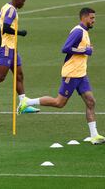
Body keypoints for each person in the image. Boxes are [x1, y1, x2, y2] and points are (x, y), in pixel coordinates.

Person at [18, 8, 105, 145]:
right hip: (71, 74)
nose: (94, 21)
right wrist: (85, 50)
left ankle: (94, 135)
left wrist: (85, 50)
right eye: (92, 18)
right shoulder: (78, 31)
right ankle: (27, 102)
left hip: (81, 74)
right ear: (84, 18)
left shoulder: (85, 32)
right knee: (59, 103)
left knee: (90, 101)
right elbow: (65, 48)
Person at [0, 0, 39, 113]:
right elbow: (6, 27)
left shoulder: (5, 7)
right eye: (23, 1)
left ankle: (23, 103)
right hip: (6, 47)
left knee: (19, 75)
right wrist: (20, 32)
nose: (24, 3)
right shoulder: (11, 10)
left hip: (12, 48)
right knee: (1, 76)